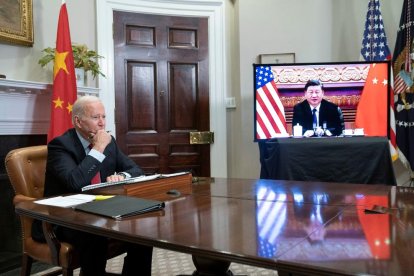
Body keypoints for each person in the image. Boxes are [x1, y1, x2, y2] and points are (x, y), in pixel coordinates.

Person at [32, 95, 153, 276]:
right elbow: (75, 182)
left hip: (103, 209)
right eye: (96, 117)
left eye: (103, 117)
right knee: (95, 232)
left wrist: (121, 175)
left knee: (143, 230)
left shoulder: (108, 143)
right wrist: (97, 149)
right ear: (78, 121)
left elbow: (136, 170)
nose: (102, 123)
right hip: (65, 218)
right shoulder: (61, 146)